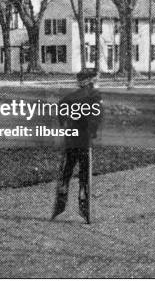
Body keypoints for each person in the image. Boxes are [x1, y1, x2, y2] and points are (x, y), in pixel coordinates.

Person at [51, 68, 104, 223]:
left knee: (67, 167)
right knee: (84, 169)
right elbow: (97, 116)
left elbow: (61, 107)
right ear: (91, 81)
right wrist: (93, 131)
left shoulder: (72, 96)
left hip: (71, 136)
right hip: (85, 138)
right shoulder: (95, 96)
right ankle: (83, 194)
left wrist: (64, 124)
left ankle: (63, 190)